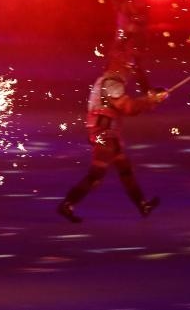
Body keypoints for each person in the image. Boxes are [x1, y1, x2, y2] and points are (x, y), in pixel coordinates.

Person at [57, 51, 167, 223]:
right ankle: (68, 204)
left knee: (125, 171)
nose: (129, 72)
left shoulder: (105, 81)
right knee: (96, 174)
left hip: (109, 133)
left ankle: (142, 204)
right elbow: (128, 108)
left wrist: (150, 99)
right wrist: (150, 101)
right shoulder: (112, 83)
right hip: (105, 133)